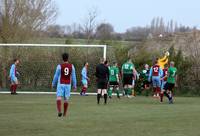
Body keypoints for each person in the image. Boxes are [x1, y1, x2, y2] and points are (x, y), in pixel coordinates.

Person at [52, 53, 77, 117]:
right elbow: (74, 76)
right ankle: (65, 113)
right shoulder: (72, 66)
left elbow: (56, 76)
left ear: (62, 58)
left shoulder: (59, 66)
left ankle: (59, 111)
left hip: (60, 83)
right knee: (66, 99)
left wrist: (53, 83)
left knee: (58, 97)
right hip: (68, 84)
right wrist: (74, 85)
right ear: (68, 58)